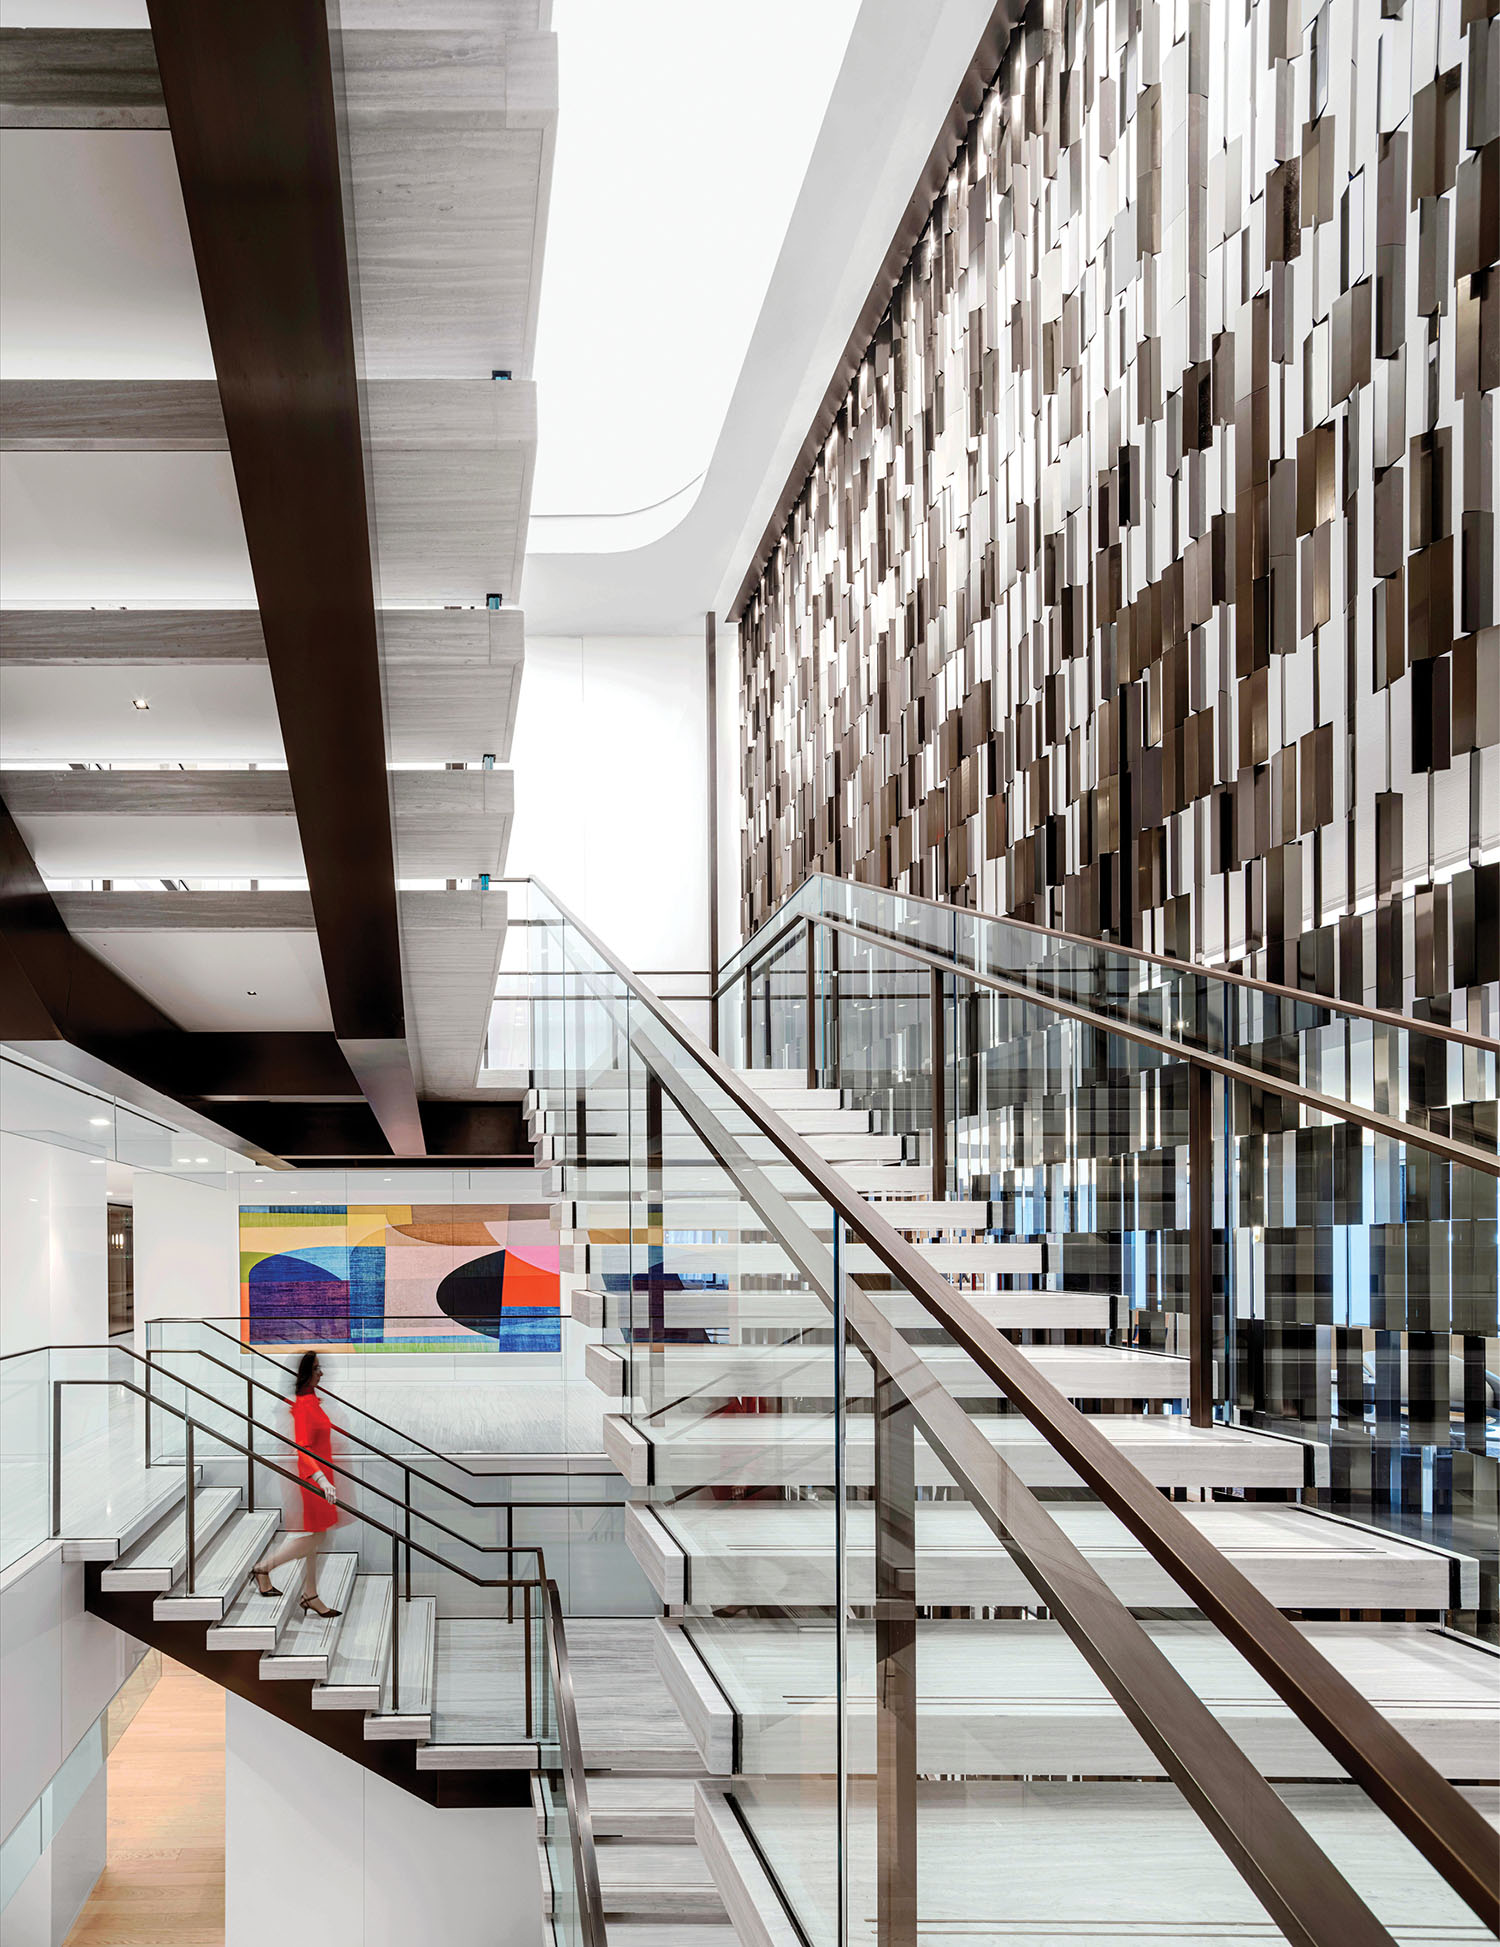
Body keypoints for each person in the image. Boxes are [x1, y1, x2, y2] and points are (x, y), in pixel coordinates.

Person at [250, 1350, 344, 1616]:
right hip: (314, 1479)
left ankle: (310, 1594)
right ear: (305, 1373)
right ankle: (264, 1568)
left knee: (317, 1535)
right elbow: (301, 1448)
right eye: (316, 1368)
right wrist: (322, 1479)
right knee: (317, 1535)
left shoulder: (314, 1401)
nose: (321, 1373)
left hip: (322, 1477)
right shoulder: (302, 1406)